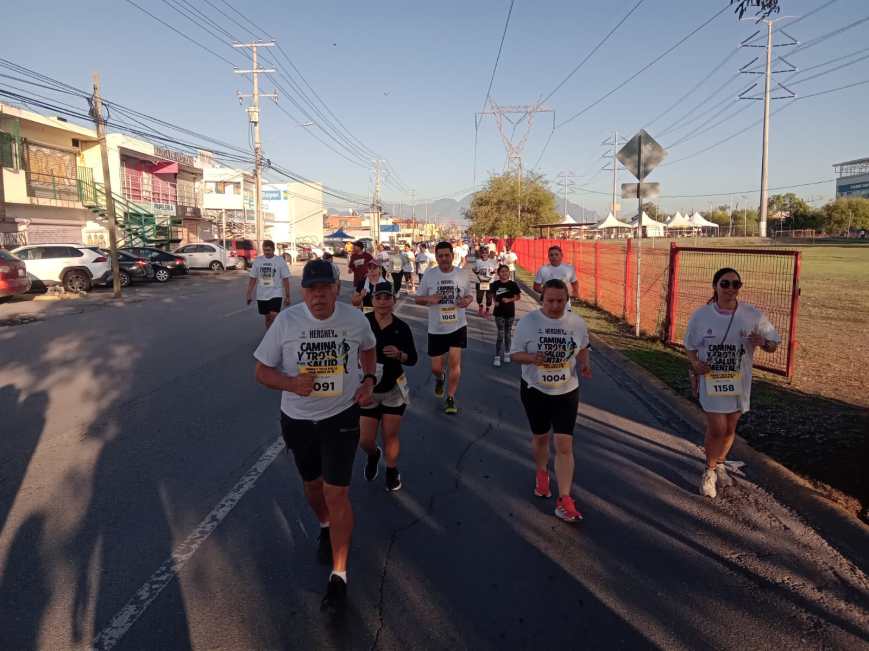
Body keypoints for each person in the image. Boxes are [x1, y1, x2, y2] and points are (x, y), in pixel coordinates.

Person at [254, 259, 378, 614]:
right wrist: (291, 383)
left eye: (325, 288)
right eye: (311, 289)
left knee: (336, 491)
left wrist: (369, 380)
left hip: (341, 416)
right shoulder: (287, 322)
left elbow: (368, 348)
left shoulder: (354, 320)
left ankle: (339, 574)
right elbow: (261, 371)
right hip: (298, 420)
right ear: (303, 291)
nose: (318, 296)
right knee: (313, 487)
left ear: (337, 289)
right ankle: (324, 525)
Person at [685, 267, 780, 499]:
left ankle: (720, 464)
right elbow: (690, 346)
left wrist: (763, 343)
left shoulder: (751, 314)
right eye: (725, 284)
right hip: (712, 379)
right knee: (717, 428)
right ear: (715, 286)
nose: (730, 289)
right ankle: (709, 472)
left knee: (729, 428)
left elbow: (773, 343)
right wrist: (695, 365)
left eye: (735, 284)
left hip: (739, 381)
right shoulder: (701, 315)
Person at [510, 279, 591, 523]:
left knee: (565, 444)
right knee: (541, 438)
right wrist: (533, 358)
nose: (555, 306)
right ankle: (542, 472)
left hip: (566, 390)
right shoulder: (529, 322)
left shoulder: (576, 322)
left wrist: (585, 364)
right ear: (541, 299)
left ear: (567, 300)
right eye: (550, 300)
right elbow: (514, 355)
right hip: (535, 389)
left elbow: (584, 345)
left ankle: (564, 499)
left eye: (560, 301)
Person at [359, 281, 418, 491]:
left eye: (387, 297)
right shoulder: (363, 323)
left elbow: (413, 359)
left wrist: (400, 354)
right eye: (379, 297)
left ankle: (392, 471)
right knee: (365, 440)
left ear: (394, 300)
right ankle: (374, 455)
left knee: (390, 435)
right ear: (373, 300)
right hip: (368, 389)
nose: (383, 302)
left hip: (393, 389)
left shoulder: (401, 327)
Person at [415, 241, 474, 414]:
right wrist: (429, 299)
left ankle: (450, 397)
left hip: (457, 326)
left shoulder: (461, 274)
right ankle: (440, 378)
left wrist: (466, 301)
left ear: (452, 255)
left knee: (455, 363)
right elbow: (417, 299)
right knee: (436, 368)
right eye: (440, 256)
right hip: (436, 328)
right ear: (436, 257)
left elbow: (469, 295)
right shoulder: (430, 275)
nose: (444, 259)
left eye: (447, 255)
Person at [245, 239, 291, 330]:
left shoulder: (279, 260)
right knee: (267, 319)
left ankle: (274, 337)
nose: (267, 252)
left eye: (269, 250)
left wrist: (288, 295)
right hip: (262, 295)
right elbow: (253, 279)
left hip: (276, 293)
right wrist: (248, 294)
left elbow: (285, 279)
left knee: (274, 316)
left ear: (273, 250)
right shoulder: (258, 261)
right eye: (265, 250)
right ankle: (269, 337)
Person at [490, 264, 521, 367]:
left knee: (508, 334)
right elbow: (493, 294)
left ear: (509, 273)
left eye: (506, 271)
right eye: (502, 271)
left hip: (510, 312)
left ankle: (507, 353)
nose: (504, 273)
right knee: (500, 334)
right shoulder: (495, 284)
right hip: (499, 312)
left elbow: (518, 297)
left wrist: (509, 300)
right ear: (498, 273)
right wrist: (495, 301)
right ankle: (497, 356)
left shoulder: (513, 284)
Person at [472, 247, 498, 318]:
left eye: (486, 253)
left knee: (489, 297)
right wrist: (477, 273)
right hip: (480, 282)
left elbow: (496, 269)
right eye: (483, 253)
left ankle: (487, 310)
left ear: (488, 253)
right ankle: (481, 307)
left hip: (490, 282)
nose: (484, 254)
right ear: (481, 253)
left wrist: (492, 273)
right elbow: (473, 269)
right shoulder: (478, 261)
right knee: (479, 298)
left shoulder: (492, 261)